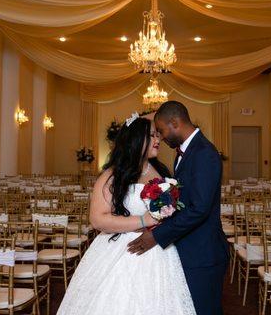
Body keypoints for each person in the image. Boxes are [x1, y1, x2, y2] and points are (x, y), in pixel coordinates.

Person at [57, 113, 196, 315]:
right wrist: (143, 220)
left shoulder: (161, 172)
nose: (158, 140)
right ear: (136, 139)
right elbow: (98, 219)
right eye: (152, 135)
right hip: (119, 248)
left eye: (158, 135)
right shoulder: (112, 176)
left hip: (158, 248)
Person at [128, 101, 229, 315]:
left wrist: (157, 236)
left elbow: (199, 209)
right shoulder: (185, 151)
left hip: (203, 253)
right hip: (190, 248)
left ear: (175, 123)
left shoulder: (204, 153)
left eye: (162, 131)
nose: (161, 137)